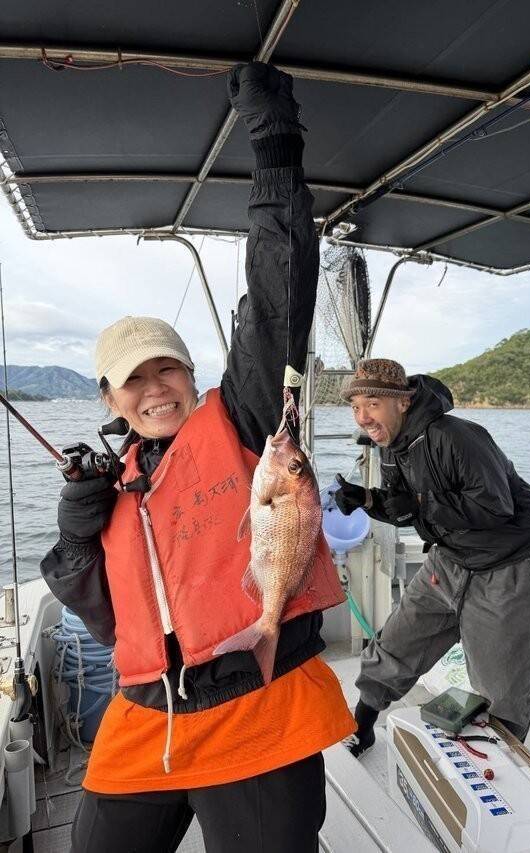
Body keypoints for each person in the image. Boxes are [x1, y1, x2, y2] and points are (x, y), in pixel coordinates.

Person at [40, 62, 355, 853]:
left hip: (258, 696)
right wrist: (76, 529)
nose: (155, 389)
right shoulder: (111, 481)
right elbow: (101, 612)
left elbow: (278, 301)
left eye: (168, 369)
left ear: (192, 374)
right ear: (109, 398)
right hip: (148, 712)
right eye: (134, 379)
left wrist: (274, 147)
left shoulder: (242, 418)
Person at [334, 358, 530, 756]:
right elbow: (405, 509)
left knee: (503, 684)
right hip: (449, 559)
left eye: (372, 404)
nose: (363, 417)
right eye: (356, 407)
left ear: (402, 402)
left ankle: (502, 764)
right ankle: (362, 726)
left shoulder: (457, 436)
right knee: (396, 643)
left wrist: (420, 502)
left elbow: (494, 507)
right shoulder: (391, 446)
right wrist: (366, 500)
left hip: (508, 565)